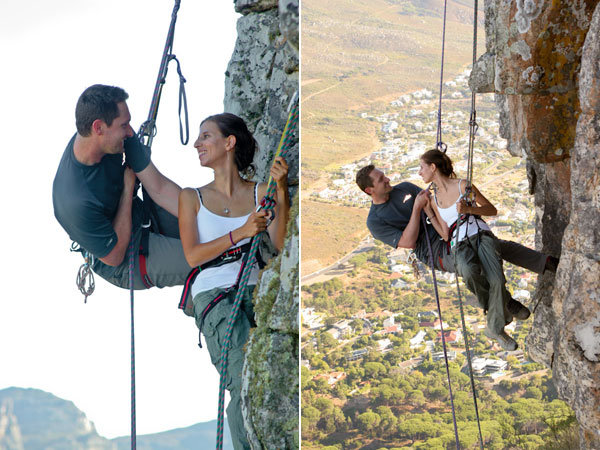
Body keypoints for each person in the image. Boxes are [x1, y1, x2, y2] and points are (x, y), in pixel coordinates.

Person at [355, 163, 558, 349]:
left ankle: (542, 267)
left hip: (449, 229)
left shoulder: (406, 188)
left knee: (493, 247)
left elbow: (433, 204)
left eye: (384, 176)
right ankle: (504, 303)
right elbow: (408, 241)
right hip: (433, 250)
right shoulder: (375, 221)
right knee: (469, 266)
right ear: (369, 190)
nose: (388, 179)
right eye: (381, 180)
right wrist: (416, 209)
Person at [178, 113, 290, 449]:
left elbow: (281, 243)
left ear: (229, 143)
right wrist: (240, 232)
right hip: (213, 294)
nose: (198, 143)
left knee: (268, 377)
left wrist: (280, 191)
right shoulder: (190, 197)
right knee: (242, 376)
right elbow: (193, 256)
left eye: (206, 136)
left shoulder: (260, 193)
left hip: (254, 286)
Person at [53, 84, 191, 291]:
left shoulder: (114, 138)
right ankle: (200, 299)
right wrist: (127, 191)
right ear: (98, 128)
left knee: (207, 225)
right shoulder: (76, 201)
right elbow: (115, 256)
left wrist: (209, 216)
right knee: (208, 259)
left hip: (140, 216)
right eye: (124, 125)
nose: (130, 131)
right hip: (124, 260)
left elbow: (159, 187)